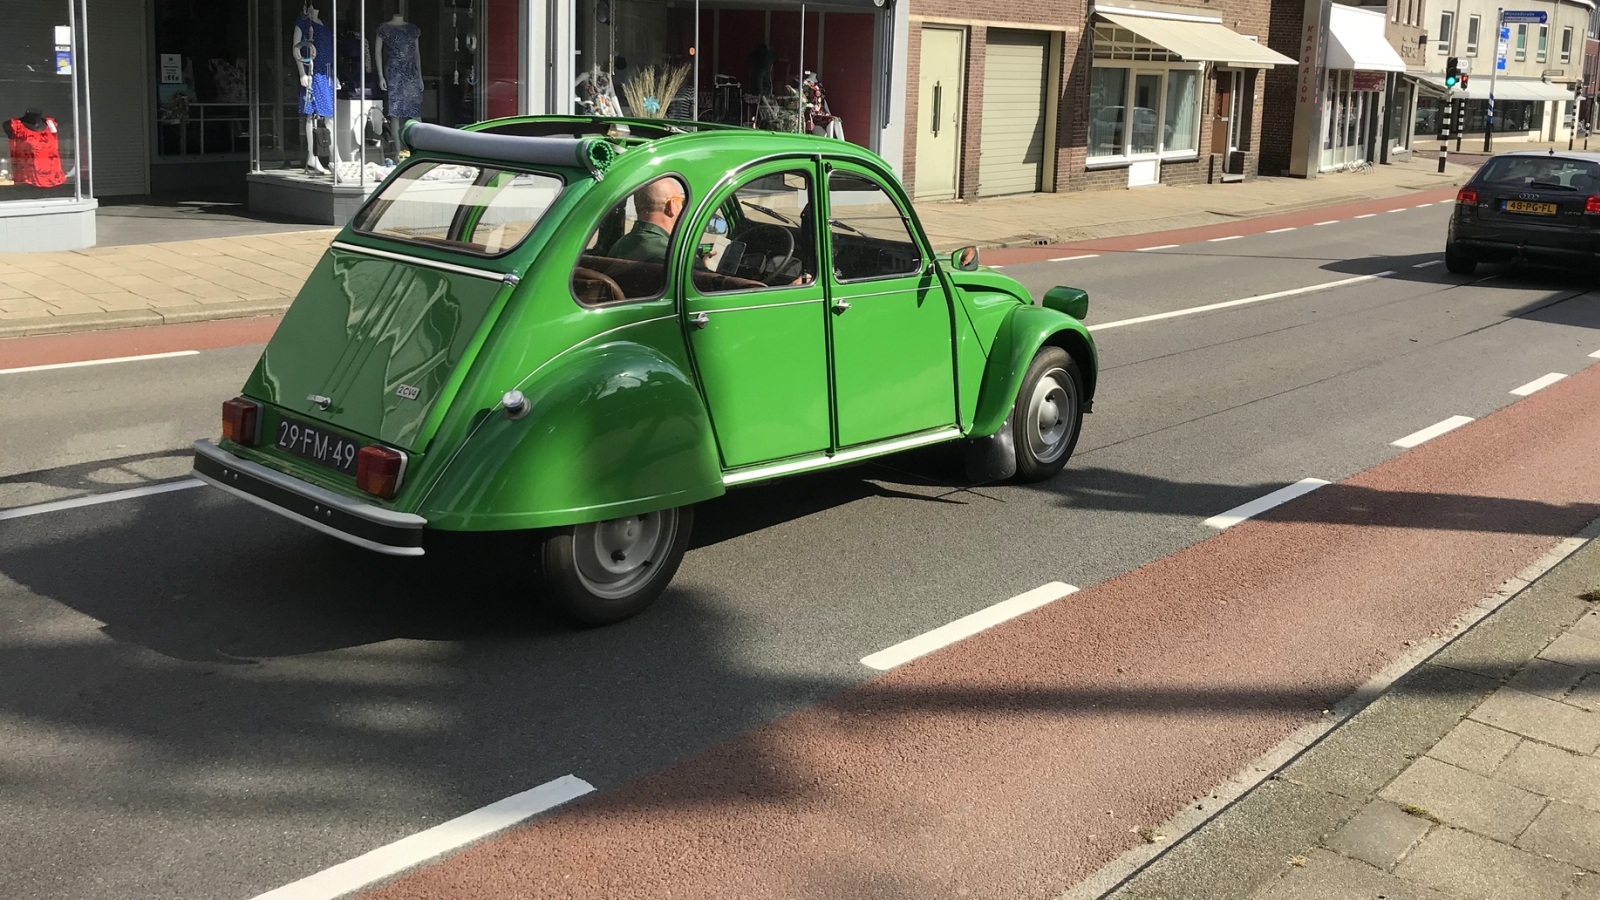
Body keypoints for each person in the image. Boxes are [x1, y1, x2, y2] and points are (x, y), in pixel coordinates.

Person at [608, 177, 685, 261]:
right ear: (671, 206)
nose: (682, 207)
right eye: (681, 201)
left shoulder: (619, 246)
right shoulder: (675, 255)